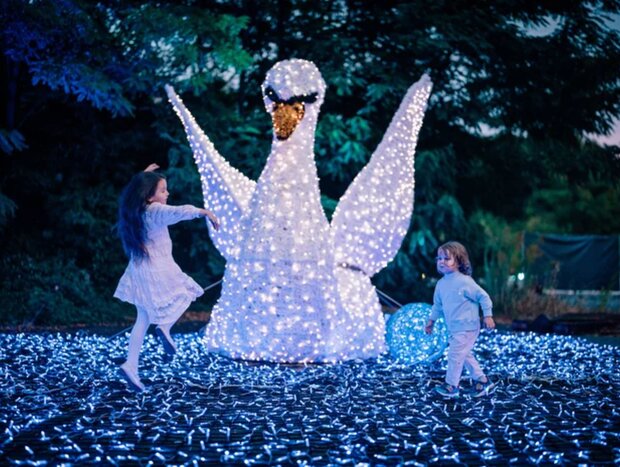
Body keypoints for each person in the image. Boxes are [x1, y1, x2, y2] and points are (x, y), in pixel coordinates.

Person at [114, 164, 219, 392]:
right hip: (158, 267)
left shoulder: (138, 210)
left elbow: (138, 191)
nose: (167, 194)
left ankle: (131, 365)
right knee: (190, 292)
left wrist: (145, 175)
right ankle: (164, 326)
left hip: (138, 270)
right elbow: (177, 211)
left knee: (142, 319)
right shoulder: (155, 211)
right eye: (162, 190)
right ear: (149, 196)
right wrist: (204, 212)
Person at [424, 241, 495, 398]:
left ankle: (451, 385)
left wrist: (487, 315)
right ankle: (482, 380)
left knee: (455, 355)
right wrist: (431, 321)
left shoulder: (465, 281)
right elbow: (437, 305)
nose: (441, 262)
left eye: (446, 258)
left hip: (467, 326)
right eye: (439, 258)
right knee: (464, 354)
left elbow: (483, 297)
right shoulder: (441, 284)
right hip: (454, 328)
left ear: (459, 261)